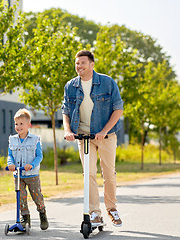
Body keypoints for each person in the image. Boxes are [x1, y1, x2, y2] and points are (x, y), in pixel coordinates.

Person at [62, 50, 124, 227]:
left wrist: (104, 130)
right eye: (76, 63)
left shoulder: (107, 82)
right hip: (84, 137)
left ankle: (111, 208)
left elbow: (117, 109)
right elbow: (66, 111)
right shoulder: (70, 86)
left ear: (91, 64)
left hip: (106, 136)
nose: (78, 66)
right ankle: (95, 213)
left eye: (82, 63)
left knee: (109, 173)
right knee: (88, 175)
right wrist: (68, 130)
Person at [7, 108, 49, 230]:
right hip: (18, 174)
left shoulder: (35, 139)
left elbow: (39, 156)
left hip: (32, 175)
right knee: (21, 197)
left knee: (37, 195)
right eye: (16, 124)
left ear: (28, 125)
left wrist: (32, 164)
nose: (18, 126)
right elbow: (10, 154)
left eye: (21, 124)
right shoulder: (12, 139)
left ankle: (42, 213)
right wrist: (10, 164)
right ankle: (25, 218)